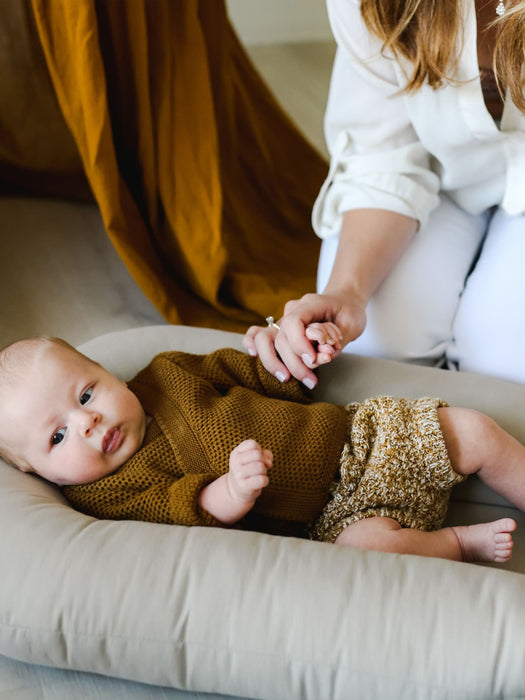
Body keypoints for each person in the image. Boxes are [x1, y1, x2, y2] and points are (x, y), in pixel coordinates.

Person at [0, 335, 523, 564]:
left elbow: (247, 368)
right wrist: (229, 491)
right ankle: (457, 544)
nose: (87, 422)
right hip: (334, 520)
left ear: (105, 372)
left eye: (86, 393)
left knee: (474, 431)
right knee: (369, 553)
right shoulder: (108, 494)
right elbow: (180, 509)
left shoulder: (168, 374)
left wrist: (295, 356)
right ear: (43, 472)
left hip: (361, 439)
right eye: (57, 437)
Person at [244, 0, 525, 388]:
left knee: (504, 372)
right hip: (442, 174)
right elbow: (383, 156)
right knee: (374, 354)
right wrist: (349, 291)